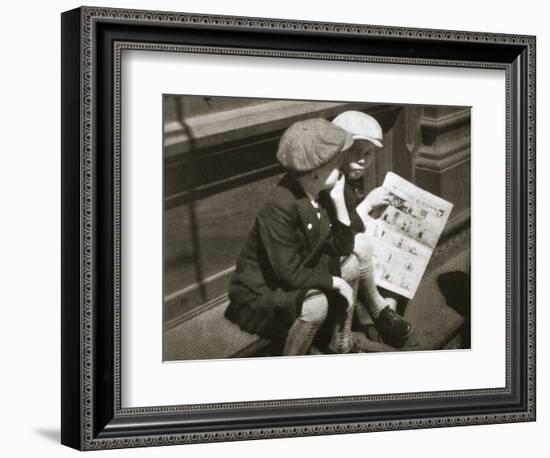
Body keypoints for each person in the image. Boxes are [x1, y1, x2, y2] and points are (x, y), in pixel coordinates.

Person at [225, 118, 362, 356]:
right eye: (335, 163)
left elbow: (343, 247)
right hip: (264, 288)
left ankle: (341, 343)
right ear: (315, 172)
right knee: (317, 305)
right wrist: (334, 282)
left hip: (302, 270)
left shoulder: (325, 192)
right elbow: (287, 273)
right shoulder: (280, 205)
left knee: (351, 265)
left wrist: (340, 205)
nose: (342, 168)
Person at [332, 110, 413, 348]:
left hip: (355, 251)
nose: (362, 160)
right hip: (338, 256)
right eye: (355, 153)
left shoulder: (352, 180)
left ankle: (386, 313)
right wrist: (367, 205)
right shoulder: (332, 181)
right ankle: (381, 314)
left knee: (399, 248)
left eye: (368, 154)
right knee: (366, 248)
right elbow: (339, 231)